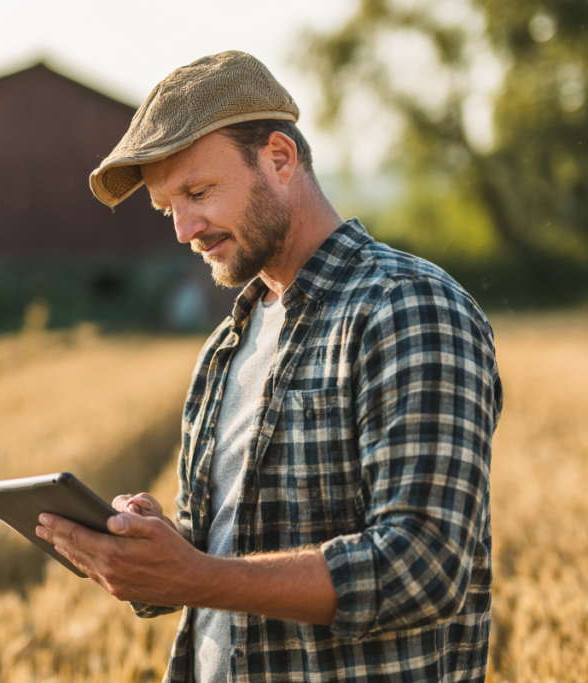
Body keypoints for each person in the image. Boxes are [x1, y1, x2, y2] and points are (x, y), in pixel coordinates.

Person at [35, 51, 503, 682]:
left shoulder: (406, 308)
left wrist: (196, 574)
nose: (183, 229)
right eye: (167, 207)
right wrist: (153, 552)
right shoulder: (224, 348)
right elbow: (218, 563)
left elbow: (423, 567)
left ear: (280, 159)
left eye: (198, 192)